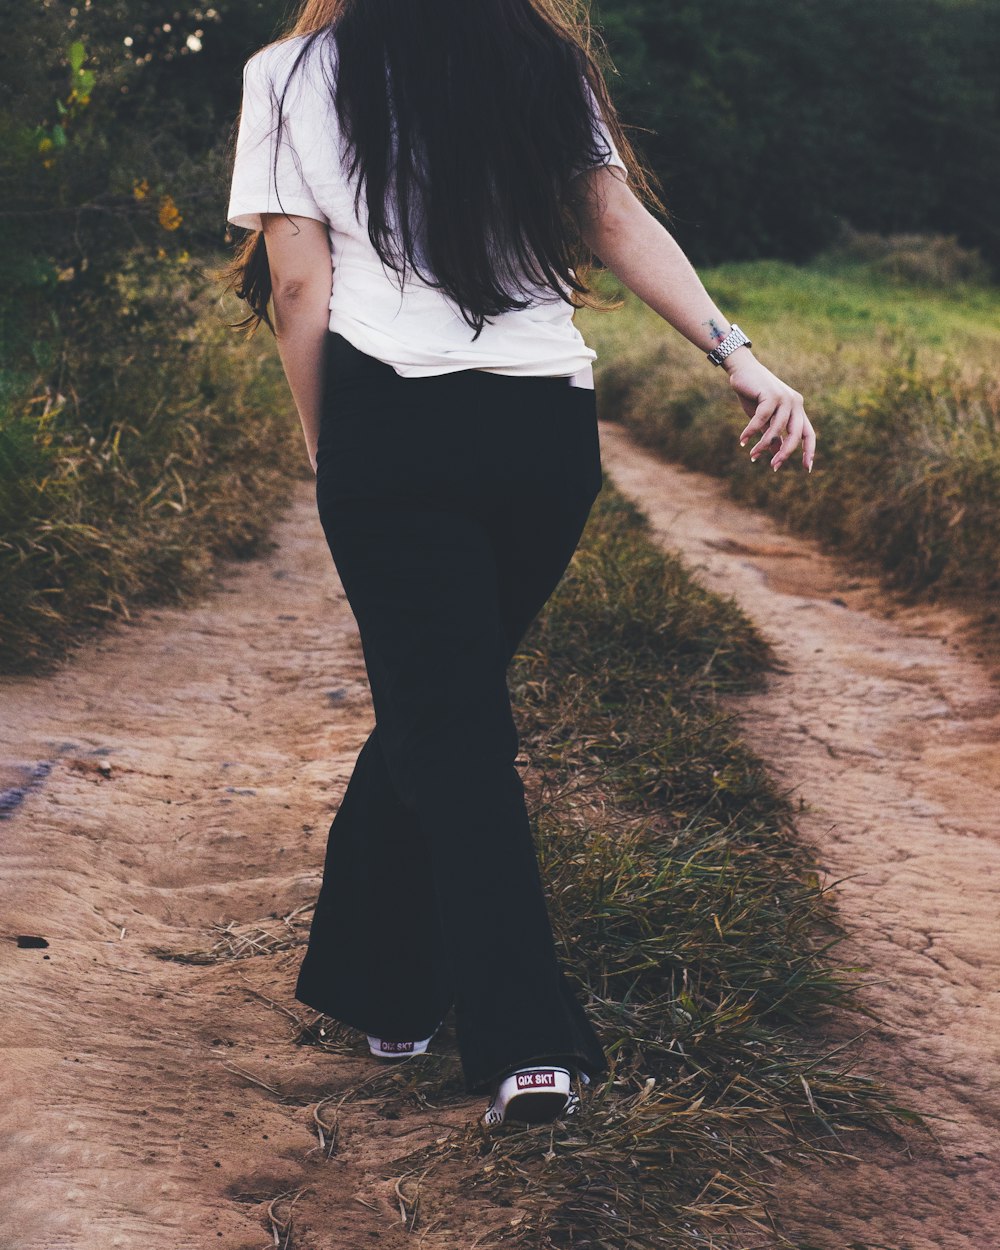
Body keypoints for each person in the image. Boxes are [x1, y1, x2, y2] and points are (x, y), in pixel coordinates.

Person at [223, 0, 816, 1130]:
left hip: (396, 422)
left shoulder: (290, 73)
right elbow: (611, 215)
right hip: (547, 432)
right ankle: (383, 985)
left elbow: (300, 286)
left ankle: (524, 1041)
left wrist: (326, 441)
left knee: (448, 726)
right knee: (438, 706)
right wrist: (734, 354)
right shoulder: (540, 56)